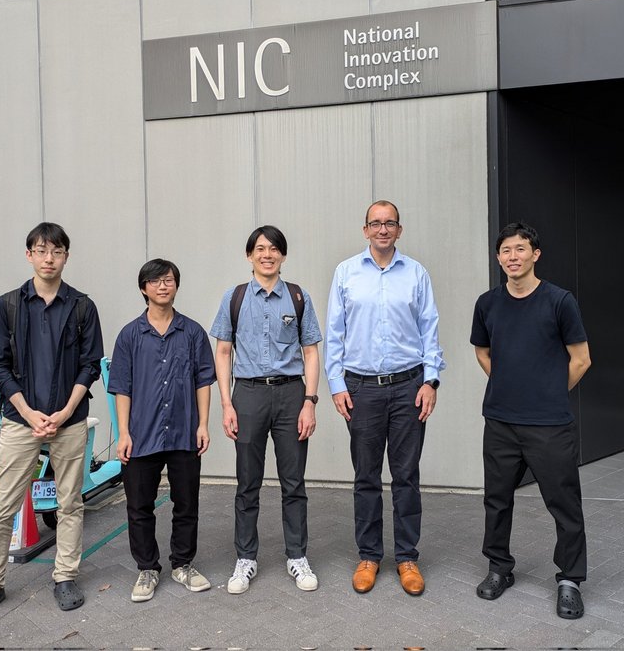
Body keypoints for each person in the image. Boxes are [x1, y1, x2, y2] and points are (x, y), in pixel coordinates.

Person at [0, 222, 104, 622]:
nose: (48, 259)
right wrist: (27, 412)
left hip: (69, 420)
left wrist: (62, 412)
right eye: (41, 251)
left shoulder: (82, 307)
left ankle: (65, 576)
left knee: (70, 503)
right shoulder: (6, 306)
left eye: (56, 252)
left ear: (66, 257)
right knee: (2, 506)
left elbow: (91, 365)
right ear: (29, 255)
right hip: (19, 422)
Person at [470, 221, 592, 620]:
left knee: (563, 502)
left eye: (520, 249)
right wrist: (510, 385)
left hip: (549, 425)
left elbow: (581, 359)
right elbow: (483, 353)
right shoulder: (487, 304)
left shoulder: (559, 301)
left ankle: (570, 580)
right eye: (506, 250)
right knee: (497, 500)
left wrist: (549, 392)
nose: (512, 257)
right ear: (498, 257)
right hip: (501, 422)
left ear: (535, 254)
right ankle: (499, 569)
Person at [325, 200, 445, 596]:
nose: (382, 230)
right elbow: (335, 333)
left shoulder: (416, 274)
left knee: (407, 475)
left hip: (409, 387)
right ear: (365, 230)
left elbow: (430, 328)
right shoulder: (346, 273)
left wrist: (431, 381)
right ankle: (370, 556)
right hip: (360, 389)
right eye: (375, 223)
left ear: (399, 229)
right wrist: (337, 384)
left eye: (389, 223)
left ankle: (407, 557)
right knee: (366, 477)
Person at [210, 225, 323, 594]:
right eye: (260, 248)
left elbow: (310, 352)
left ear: (283, 256)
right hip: (249, 396)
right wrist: (227, 403)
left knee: (294, 482)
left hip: (292, 395)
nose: (267, 254)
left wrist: (309, 401)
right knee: (247, 483)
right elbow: (223, 352)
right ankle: (246, 558)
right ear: (249, 256)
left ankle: (297, 556)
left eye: (274, 248)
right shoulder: (235, 297)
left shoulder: (298, 297)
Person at [108, 259, 217, 603]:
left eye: (168, 280)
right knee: (140, 505)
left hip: (184, 432)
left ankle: (183, 564)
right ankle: (147, 568)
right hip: (141, 435)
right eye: (155, 281)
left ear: (176, 286)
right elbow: (121, 387)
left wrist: (202, 424)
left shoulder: (193, 333)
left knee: (187, 503)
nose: (163, 286)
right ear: (144, 288)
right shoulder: (129, 335)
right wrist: (123, 433)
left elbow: (204, 381)